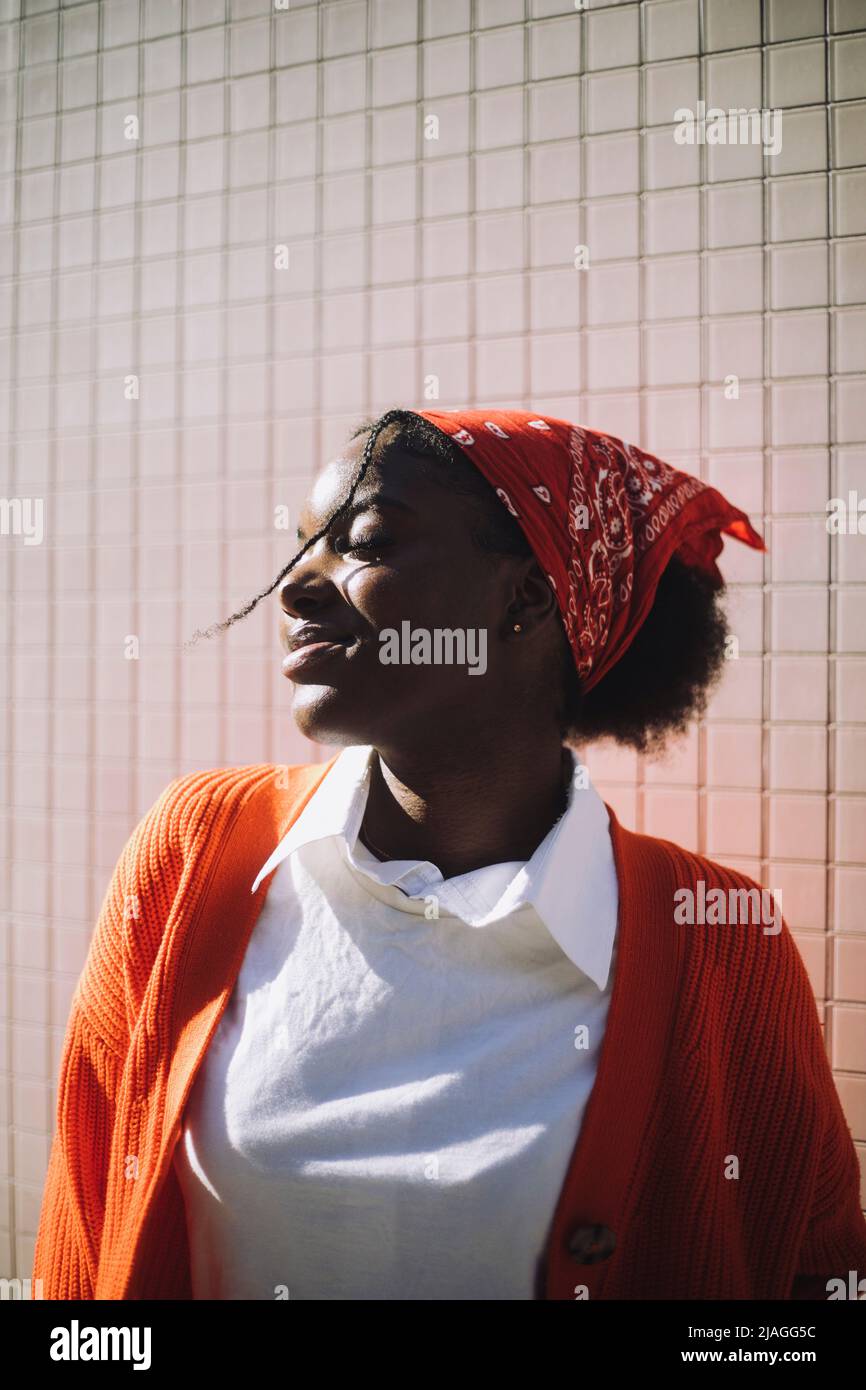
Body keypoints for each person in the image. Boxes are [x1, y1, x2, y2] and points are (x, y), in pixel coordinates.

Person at [33, 407, 866, 1300]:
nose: (295, 588)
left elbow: (807, 1284)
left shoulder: (719, 937)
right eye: (300, 546)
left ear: (527, 599)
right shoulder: (193, 849)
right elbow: (85, 1231)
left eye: (366, 543)